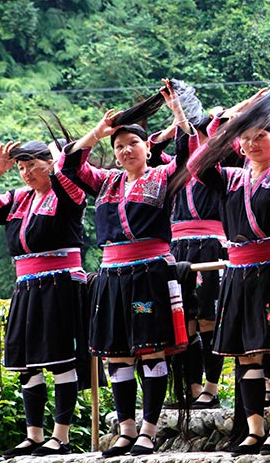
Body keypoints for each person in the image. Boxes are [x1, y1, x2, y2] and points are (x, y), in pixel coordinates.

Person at [59, 81, 193, 457]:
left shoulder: (163, 178)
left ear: (148, 147)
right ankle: (126, 430)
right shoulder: (105, 182)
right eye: (118, 147)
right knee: (116, 354)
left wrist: (178, 112)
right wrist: (99, 131)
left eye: (133, 144)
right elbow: (69, 164)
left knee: (149, 351)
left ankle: (149, 431)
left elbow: (190, 153)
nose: (126, 151)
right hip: (112, 280)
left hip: (147, 277)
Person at [188, 80, 270, 455]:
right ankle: (254, 430)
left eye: (260, 136)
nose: (252, 143)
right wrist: (240, 112)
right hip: (239, 274)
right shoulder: (231, 178)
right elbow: (198, 162)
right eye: (245, 138)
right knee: (245, 354)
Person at [0, 140, 87, 456]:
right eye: (20, 168)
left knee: (61, 358)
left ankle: (59, 437)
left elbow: (70, 183)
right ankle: (34, 435)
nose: (25, 174)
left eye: (31, 166)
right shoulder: (19, 200)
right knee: (26, 364)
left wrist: (59, 160)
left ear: (49, 163)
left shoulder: (66, 195)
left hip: (60, 285)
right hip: (26, 287)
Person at [151, 116, 227, 409]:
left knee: (209, 318)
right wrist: (175, 124)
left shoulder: (218, 167)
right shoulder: (172, 171)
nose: (194, 141)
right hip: (179, 248)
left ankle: (211, 388)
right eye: (190, 136)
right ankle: (192, 388)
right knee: (186, 321)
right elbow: (154, 152)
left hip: (210, 245)